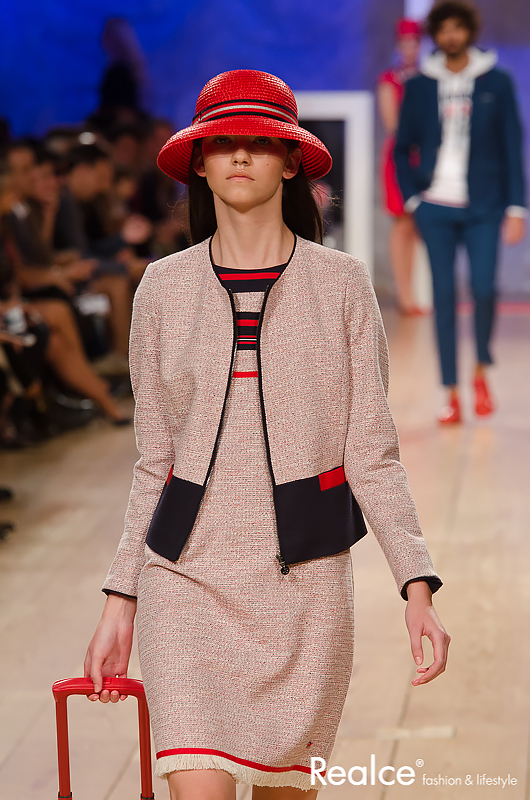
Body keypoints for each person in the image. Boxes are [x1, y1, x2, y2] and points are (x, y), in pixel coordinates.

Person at [84, 70, 449, 799]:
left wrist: (417, 585)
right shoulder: (162, 288)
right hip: (185, 580)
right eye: (223, 143)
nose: (241, 155)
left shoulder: (341, 285)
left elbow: (371, 454)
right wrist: (121, 596)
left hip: (304, 586)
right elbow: (154, 463)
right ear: (199, 163)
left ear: (291, 161)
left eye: (261, 141)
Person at [394, 0, 527, 424]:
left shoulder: (497, 81)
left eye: (458, 27)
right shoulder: (419, 85)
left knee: (485, 289)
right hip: (435, 206)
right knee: (444, 297)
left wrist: (517, 207)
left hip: (484, 206)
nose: (451, 36)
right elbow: (401, 147)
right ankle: (450, 392)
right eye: (443, 29)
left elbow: (512, 146)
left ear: (470, 31)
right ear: (435, 35)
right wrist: (414, 200)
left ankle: (481, 369)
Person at [377, 18, 425, 316]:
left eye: (414, 43)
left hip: (426, 157)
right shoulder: (390, 80)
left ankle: (415, 293)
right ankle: (404, 294)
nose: (410, 48)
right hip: (401, 156)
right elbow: (392, 123)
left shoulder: (427, 78)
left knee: (419, 224)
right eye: (405, 43)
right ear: (398, 45)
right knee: (402, 222)